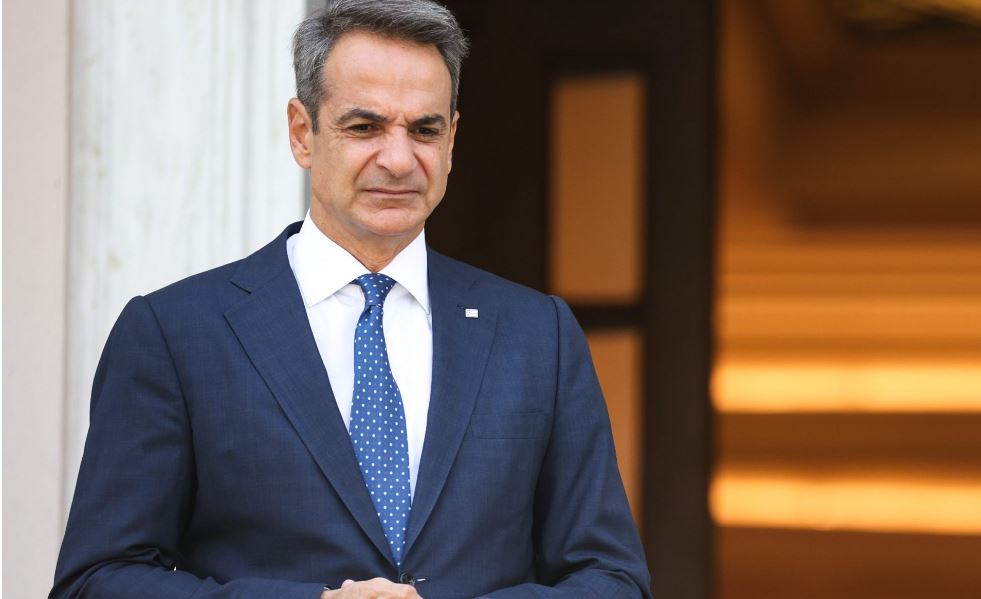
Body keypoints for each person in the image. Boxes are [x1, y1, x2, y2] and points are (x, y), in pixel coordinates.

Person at [51, 1, 652, 597]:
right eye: (364, 127)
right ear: (302, 133)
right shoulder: (175, 334)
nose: (399, 159)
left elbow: (613, 580)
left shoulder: (538, 335)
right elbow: (98, 581)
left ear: (452, 140)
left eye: (424, 130)